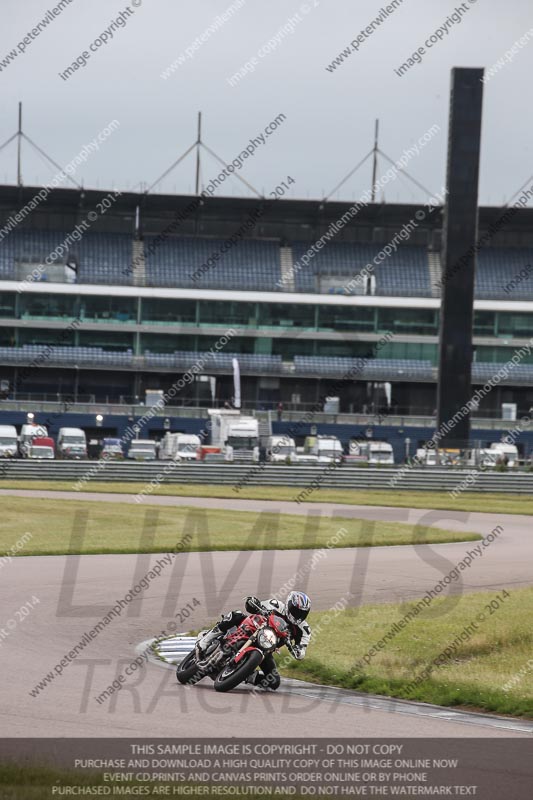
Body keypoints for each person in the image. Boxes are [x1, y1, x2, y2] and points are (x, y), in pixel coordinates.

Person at [197, 591, 312, 690]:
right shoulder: (276, 605)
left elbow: (302, 650)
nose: (298, 615)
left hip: (266, 648)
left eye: (302, 613)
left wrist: (297, 651)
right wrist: (254, 603)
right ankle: (206, 639)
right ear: (289, 604)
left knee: (274, 681)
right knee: (236, 615)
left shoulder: (304, 629)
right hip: (250, 629)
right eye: (296, 611)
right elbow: (256, 606)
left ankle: (245, 674)